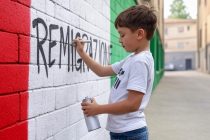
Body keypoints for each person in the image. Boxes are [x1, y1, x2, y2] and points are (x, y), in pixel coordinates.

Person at [74, 4, 157, 140]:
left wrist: (98, 109)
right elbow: (101, 71)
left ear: (140, 34)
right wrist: (82, 53)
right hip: (124, 132)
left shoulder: (140, 61)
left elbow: (132, 104)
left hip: (130, 134)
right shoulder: (132, 59)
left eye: (122, 34)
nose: (119, 40)